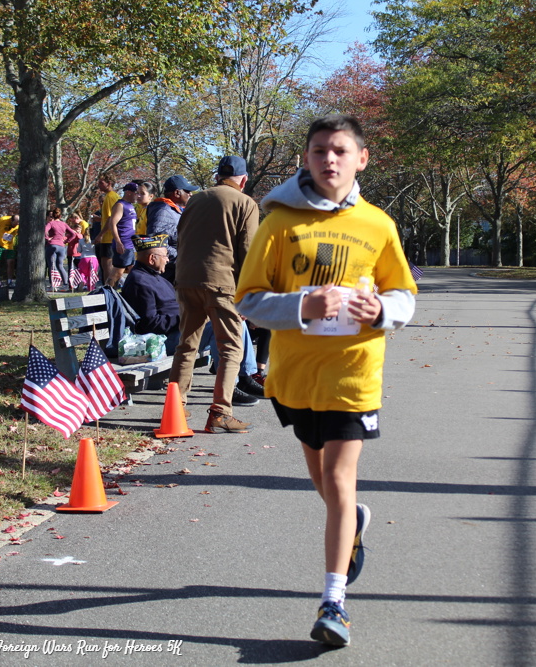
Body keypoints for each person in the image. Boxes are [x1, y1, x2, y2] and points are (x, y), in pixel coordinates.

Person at [235, 115, 417, 647]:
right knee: (322, 478)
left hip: (354, 374)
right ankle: (353, 521)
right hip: (295, 376)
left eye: (340, 150)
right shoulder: (279, 222)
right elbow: (248, 299)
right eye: (319, 151)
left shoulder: (378, 225)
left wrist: (381, 310)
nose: (329, 159)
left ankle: (333, 603)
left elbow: (404, 295)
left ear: (362, 159)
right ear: (307, 159)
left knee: (338, 478)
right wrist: (302, 305)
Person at [168, 156, 259, 433]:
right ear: (243, 180)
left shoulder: (195, 199)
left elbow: (180, 237)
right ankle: (220, 413)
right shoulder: (245, 202)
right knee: (231, 348)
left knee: (186, 346)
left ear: (218, 176)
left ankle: (175, 408)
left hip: (187, 280)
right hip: (222, 283)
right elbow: (249, 251)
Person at [121, 235, 180, 356]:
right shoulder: (139, 282)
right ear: (152, 258)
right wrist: (184, 318)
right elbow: (150, 324)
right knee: (215, 330)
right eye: (166, 255)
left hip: (177, 330)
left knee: (216, 326)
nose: (168, 260)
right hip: (158, 342)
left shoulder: (156, 278)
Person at [147, 174, 198, 284]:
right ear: (177, 193)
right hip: (167, 273)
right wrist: (182, 258)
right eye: (187, 191)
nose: (190, 194)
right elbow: (157, 242)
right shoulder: (163, 211)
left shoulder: (173, 210)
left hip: (174, 269)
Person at [107, 183, 139, 287]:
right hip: (123, 243)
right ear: (129, 192)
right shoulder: (120, 205)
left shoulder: (131, 206)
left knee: (133, 270)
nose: (138, 196)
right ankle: (107, 291)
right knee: (117, 272)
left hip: (131, 244)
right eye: (136, 193)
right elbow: (112, 223)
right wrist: (118, 242)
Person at [94, 174, 120, 284]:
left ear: (109, 183)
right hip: (111, 237)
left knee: (107, 266)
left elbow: (111, 218)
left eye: (101, 183)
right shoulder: (115, 196)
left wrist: (100, 235)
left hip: (109, 238)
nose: (99, 185)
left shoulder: (110, 197)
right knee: (108, 266)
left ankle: (109, 289)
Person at [45, 207, 80, 289]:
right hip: (61, 246)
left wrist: (47, 238)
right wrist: (66, 241)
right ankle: (65, 284)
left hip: (52, 245)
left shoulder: (51, 223)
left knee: (51, 265)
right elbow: (73, 234)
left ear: (53, 216)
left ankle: (53, 285)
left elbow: (44, 230)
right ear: (60, 216)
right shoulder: (64, 224)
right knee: (60, 265)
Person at [0, 212, 19, 286]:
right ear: (11, 220)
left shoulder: (19, 225)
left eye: (17, 224)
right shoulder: (2, 220)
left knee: (11, 262)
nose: (15, 226)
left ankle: (9, 281)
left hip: (10, 245)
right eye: (14, 224)